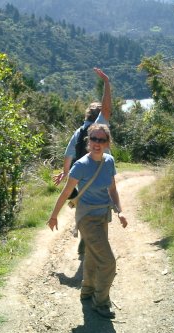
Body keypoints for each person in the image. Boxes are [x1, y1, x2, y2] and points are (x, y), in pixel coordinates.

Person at [47, 124, 128, 319]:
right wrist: (53, 215)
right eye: (94, 139)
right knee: (108, 262)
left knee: (92, 257)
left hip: (102, 217)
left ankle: (87, 292)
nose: (97, 143)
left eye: (101, 140)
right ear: (88, 141)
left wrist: (119, 211)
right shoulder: (81, 165)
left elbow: (113, 190)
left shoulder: (109, 161)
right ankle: (100, 302)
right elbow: (67, 192)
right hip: (86, 218)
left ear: (107, 143)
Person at [53, 67, 112, 255]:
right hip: (100, 171)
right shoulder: (99, 126)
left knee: (84, 207)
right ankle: (95, 244)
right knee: (101, 207)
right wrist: (107, 83)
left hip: (79, 176)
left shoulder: (79, 131)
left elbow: (68, 153)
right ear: (99, 115)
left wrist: (65, 172)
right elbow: (108, 108)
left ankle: (84, 237)